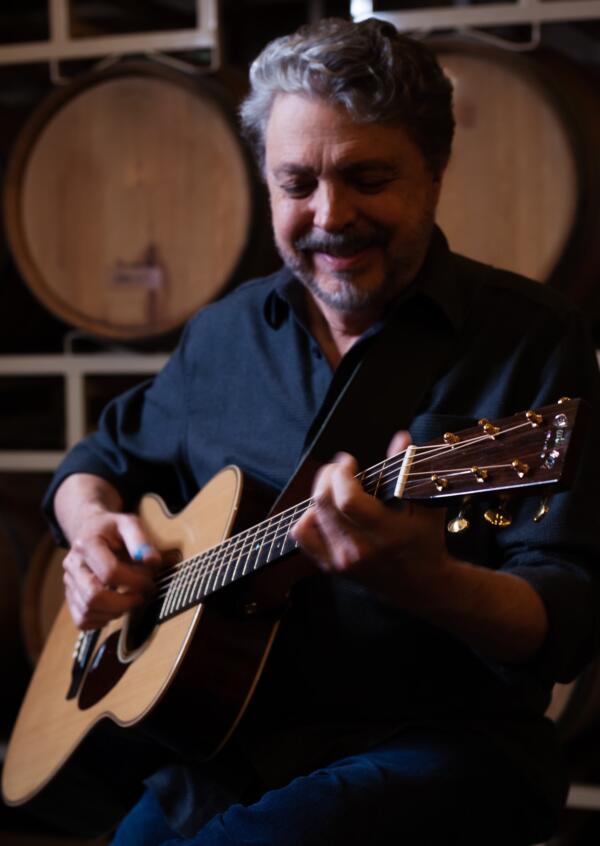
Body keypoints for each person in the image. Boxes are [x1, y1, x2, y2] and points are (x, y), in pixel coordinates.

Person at [42, 17, 600, 846]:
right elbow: (100, 460)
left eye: (368, 177)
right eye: (297, 183)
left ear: (435, 171)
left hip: (442, 746)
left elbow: (569, 617)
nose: (331, 214)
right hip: (230, 748)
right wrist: (90, 532)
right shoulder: (223, 336)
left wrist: (430, 583)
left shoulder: (534, 340)